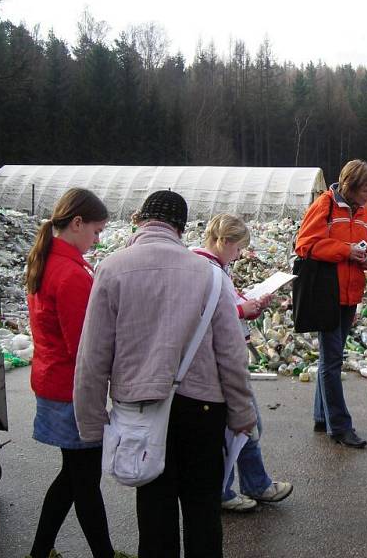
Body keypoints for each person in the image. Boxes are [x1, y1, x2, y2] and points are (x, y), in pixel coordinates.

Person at [74, 190, 256, 558]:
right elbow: (232, 356)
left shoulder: (111, 268)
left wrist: (92, 424)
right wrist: (242, 412)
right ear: (180, 227)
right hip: (204, 409)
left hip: (140, 410)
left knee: (154, 514)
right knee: (203, 510)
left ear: (141, 220)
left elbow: (93, 356)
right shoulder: (211, 276)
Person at [24, 188, 132, 558]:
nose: (97, 239)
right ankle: (103, 553)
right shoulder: (71, 274)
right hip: (71, 389)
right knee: (84, 479)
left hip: (53, 381)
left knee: (74, 476)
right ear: (77, 223)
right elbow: (86, 346)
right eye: (97, 231)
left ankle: (41, 550)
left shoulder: (47, 261)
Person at [192, 213, 293, 512]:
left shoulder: (213, 267)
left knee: (245, 424)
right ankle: (232, 489)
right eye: (236, 249)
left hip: (226, 356)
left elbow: (226, 305)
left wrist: (249, 306)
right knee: (243, 424)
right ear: (224, 241)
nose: (238, 256)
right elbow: (215, 312)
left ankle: (253, 483)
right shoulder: (206, 269)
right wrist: (242, 309)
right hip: (222, 361)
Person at [295, 159, 367, 448]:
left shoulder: (364, 211)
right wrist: (346, 251)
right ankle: (340, 427)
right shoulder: (325, 205)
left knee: (330, 358)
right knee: (332, 360)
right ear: (351, 186)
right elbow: (305, 244)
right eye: (366, 189)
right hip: (327, 293)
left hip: (350, 294)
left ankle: (322, 417)